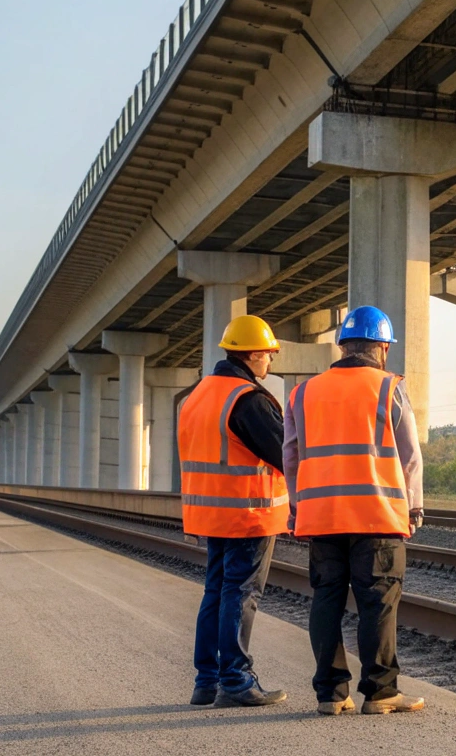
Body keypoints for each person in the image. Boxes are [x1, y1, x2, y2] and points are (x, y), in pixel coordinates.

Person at [283, 305, 425, 716]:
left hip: (322, 517)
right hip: (376, 515)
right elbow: (409, 455)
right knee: (377, 603)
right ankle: (380, 694)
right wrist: (413, 508)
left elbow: (290, 456)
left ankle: (331, 694)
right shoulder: (387, 387)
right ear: (382, 347)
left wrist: (298, 508)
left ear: (343, 346)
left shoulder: (304, 392)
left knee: (326, 600)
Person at [177, 314, 290, 708]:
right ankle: (236, 680)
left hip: (211, 514)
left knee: (215, 592)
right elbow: (284, 454)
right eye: (269, 355)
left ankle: (206, 680)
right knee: (240, 595)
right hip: (248, 513)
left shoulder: (198, 395)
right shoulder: (249, 400)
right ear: (254, 354)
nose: (270, 363)